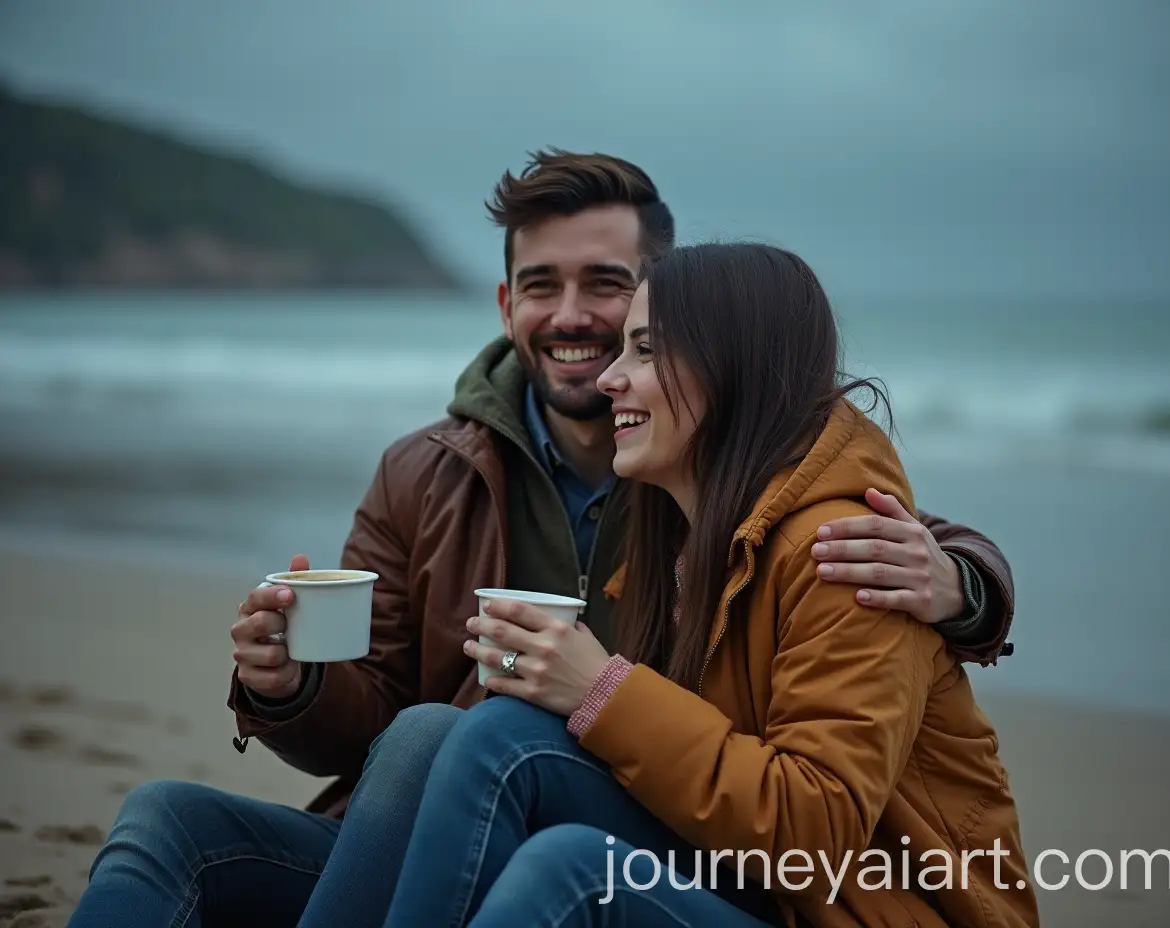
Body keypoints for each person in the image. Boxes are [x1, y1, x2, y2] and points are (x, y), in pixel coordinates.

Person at [68, 152, 1016, 927]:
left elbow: (875, 541)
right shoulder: (426, 472)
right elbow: (374, 718)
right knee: (179, 814)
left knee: (495, 757)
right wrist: (294, 684)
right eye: (540, 285)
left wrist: (967, 586)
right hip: (437, 837)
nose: (577, 324)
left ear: (691, 323)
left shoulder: (745, 498)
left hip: (658, 840)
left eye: (611, 292)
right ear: (505, 305)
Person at [380, 242, 1037, 927]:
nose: (610, 378)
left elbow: (814, 834)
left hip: (857, 908)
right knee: (437, 735)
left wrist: (601, 690)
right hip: (751, 881)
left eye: (645, 350)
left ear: (732, 369)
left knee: (568, 864)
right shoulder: (672, 543)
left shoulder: (852, 555)